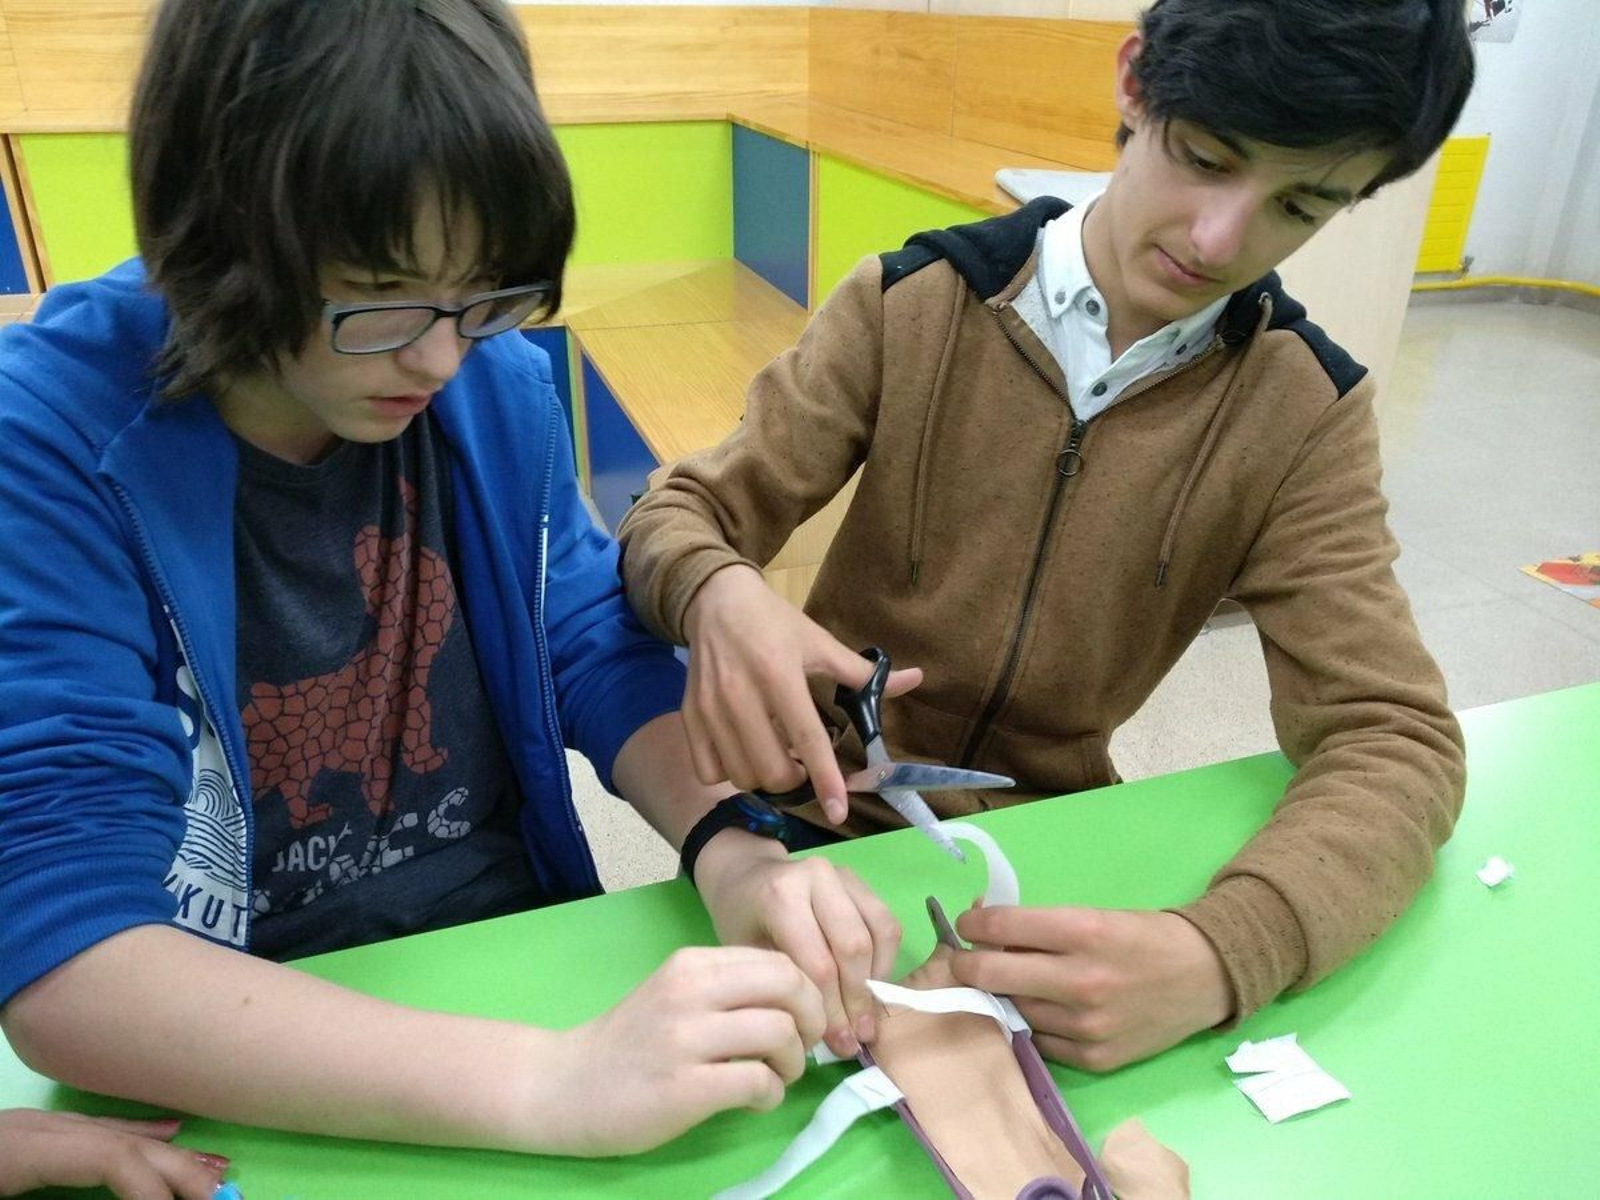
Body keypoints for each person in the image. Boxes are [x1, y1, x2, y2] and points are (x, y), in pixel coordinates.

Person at [0, 0, 900, 1163]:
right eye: (380, 296)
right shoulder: (51, 435)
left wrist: (731, 844)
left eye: (483, 294)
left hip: (507, 950)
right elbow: (70, 959)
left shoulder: (487, 379)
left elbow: (579, 633)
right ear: (219, 238)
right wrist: (550, 1086)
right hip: (232, 1041)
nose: (439, 355)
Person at [618, 0, 1475, 1071]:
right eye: (1205, 158)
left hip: (1055, 855)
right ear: (1132, 82)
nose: (1222, 239)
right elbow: (675, 516)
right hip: (801, 828)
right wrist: (718, 592)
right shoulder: (911, 300)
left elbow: (1394, 738)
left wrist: (1220, 952)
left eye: (1299, 206)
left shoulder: (1302, 412)